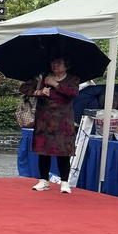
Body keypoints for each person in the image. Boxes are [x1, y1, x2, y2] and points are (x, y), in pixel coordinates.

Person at [22, 56, 80, 194]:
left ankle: (64, 182)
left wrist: (55, 84)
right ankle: (43, 180)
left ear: (67, 66)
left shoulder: (73, 79)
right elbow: (24, 87)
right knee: (43, 151)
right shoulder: (42, 77)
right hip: (44, 121)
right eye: (53, 62)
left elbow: (73, 93)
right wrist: (38, 92)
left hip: (63, 122)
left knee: (63, 152)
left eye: (59, 63)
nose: (55, 65)